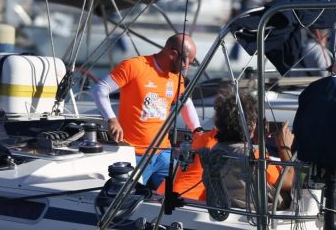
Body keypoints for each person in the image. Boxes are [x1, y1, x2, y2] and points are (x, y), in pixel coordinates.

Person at [93, 34, 202, 190]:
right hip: (134, 155)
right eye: (186, 62)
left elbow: (185, 103)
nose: (187, 67)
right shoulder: (134, 66)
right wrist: (111, 119)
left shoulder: (176, 77)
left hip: (163, 153)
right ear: (172, 54)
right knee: (129, 200)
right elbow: (100, 89)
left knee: (181, 193)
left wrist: (197, 131)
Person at [204, 91, 295, 212]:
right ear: (252, 123)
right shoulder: (256, 155)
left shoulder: (216, 150)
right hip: (259, 211)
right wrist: (285, 147)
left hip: (226, 208)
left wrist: (258, 141)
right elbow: (289, 182)